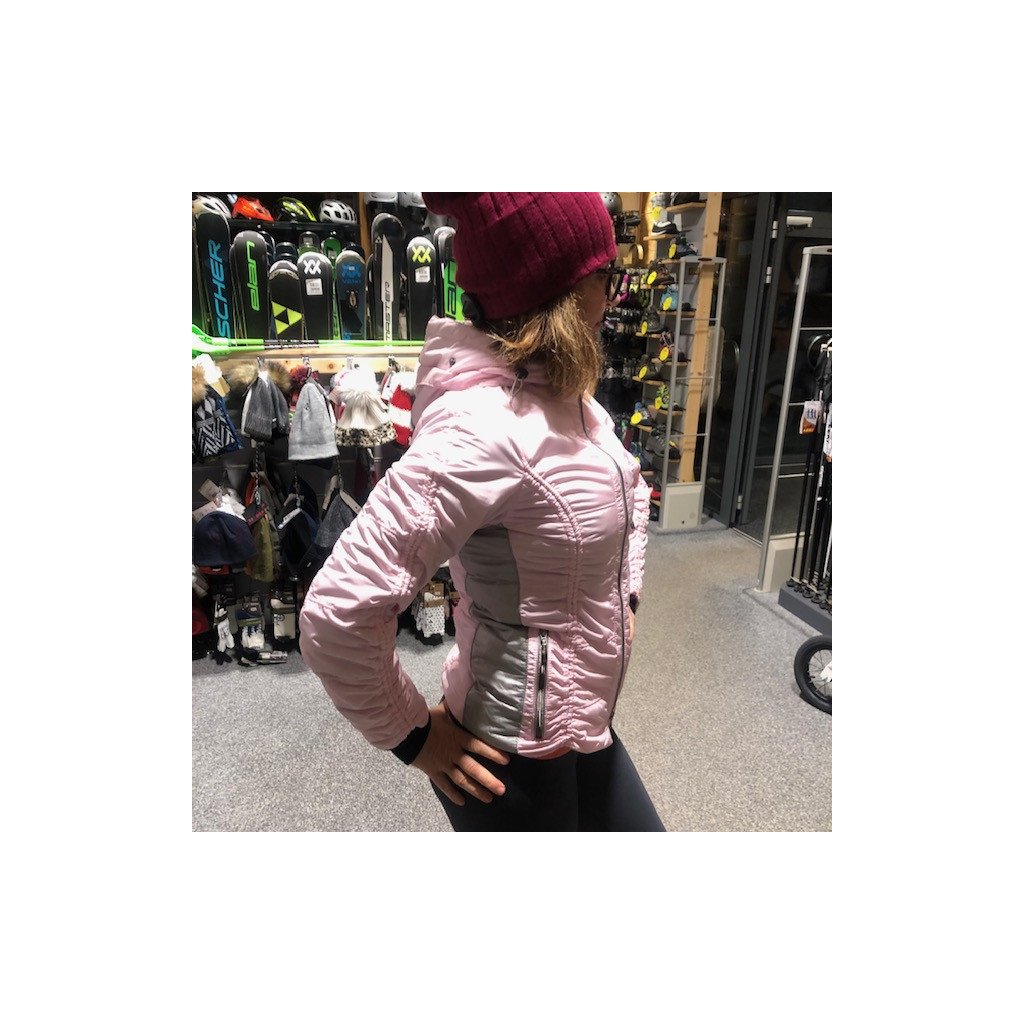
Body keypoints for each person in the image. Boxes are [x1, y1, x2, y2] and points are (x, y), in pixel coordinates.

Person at [299, 192, 664, 831]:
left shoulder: (567, 398)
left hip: (584, 721)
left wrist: (624, 599)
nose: (613, 297)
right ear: (559, 295)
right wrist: (415, 737)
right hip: (508, 755)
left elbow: (627, 486)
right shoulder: (483, 430)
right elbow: (339, 613)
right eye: (605, 277)